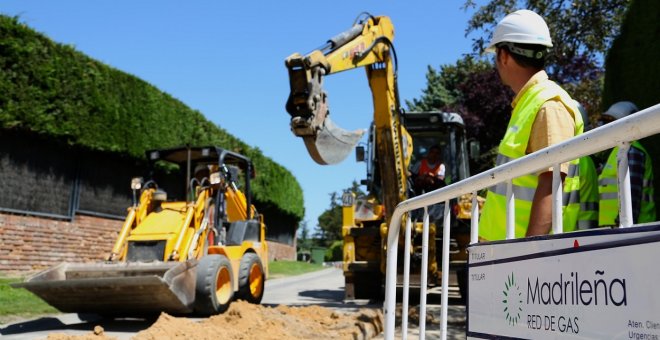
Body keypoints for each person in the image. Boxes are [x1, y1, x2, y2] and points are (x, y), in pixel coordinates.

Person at [478, 9, 584, 241]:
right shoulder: (530, 103)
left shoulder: (548, 104)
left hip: (525, 264)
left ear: (504, 56)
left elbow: (552, 182)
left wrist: (527, 253)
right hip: (506, 255)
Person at [598, 101, 656, 226]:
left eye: (612, 122)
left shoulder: (632, 151)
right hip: (615, 229)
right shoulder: (619, 150)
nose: (608, 126)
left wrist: (623, 228)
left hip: (629, 230)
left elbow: (632, 196)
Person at [563, 101, 599, 230]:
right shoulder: (585, 162)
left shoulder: (544, 157)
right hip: (569, 242)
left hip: (560, 241)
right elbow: (588, 212)